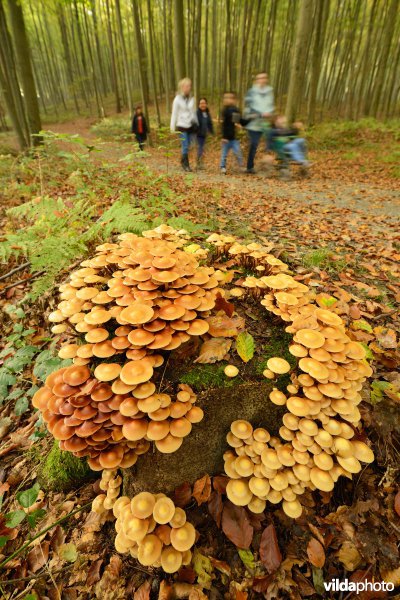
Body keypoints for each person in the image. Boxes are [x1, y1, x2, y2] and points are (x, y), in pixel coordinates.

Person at [244, 72, 275, 173]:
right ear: (257, 80)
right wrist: (261, 114)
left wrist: (270, 114)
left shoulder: (270, 92)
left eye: (264, 78)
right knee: (254, 144)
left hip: (265, 123)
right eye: (260, 78)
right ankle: (249, 167)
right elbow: (248, 107)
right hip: (253, 124)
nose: (262, 80)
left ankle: (267, 164)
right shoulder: (251, 92)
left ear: (266, 79)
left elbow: (271, 106)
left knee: (270, 141)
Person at [170, 78, 198, 172]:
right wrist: (172, 128)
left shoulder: (192, 98)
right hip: (181, 125)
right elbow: (174, 113)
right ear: (182, 87)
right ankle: (186, 165)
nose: (189, 87)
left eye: (190, 86)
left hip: (190, 125)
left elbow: (193, 112)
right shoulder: (177, 99)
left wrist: (196, 123)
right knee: (185, 145)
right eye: (187, 86)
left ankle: (182, 160)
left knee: (190, 145)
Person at [220, 91, 244, 175]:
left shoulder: (235, 109)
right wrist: (223, 137)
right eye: (226, 98)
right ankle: (223, 167)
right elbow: (223, 125)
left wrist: (240, 124)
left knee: (238, 152)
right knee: (224, 154)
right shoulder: (224, 110)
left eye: (230, 98)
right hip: (226, 138)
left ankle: (240, 166)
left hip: (233, 137)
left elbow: (237, 120)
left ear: (234, 99)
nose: (227, 99)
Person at [196, 97, 214, 170]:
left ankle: (200, 163)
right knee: (200, 148)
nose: (202, 105)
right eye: (201, 103)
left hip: (203, 134)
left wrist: (212, 132)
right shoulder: (197, 113)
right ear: (199, 105)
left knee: (202, 148)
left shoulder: (207, 113)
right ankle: (199, 164)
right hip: (197, 134)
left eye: (204, 103)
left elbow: (209, 123)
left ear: (206, 104)